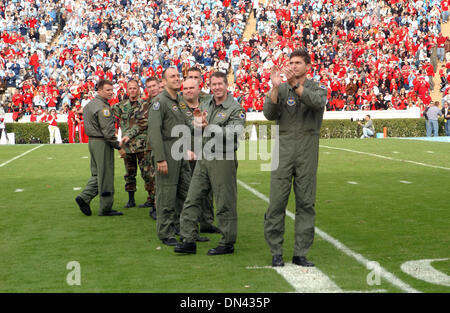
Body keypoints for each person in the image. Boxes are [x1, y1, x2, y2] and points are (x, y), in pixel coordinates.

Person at [262, 49, 327, 267]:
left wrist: (294, 86)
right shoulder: (280, 88)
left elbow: (317, 103)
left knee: (306, 203)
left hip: (307, 147)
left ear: (308, 65)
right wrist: (274, 87)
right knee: (277, 202)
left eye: (298, 62)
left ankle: (300, 253)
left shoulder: (316, 86)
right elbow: (268, 114)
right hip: (284, 148)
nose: (293, 65)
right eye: (291, 62)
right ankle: (275, 252)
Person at [175, 71, 246, 255]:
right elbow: (195, 125)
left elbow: (234, 134)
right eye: (213, 85)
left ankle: (227, 242)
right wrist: (197, 123)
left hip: (223, 158)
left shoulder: (235, 109)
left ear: (226, 85)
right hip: (204, 157)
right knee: (192, 199)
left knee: (224, 202)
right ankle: (188, 239)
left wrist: (209, 127)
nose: (216, 87)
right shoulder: (207, 103)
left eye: (219, 84)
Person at [147, 67, 192, 246]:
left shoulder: (179, 100)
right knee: (166, 194)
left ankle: (181, 227)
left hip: (181, 151)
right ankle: (165, 233)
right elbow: (154, 132)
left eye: (178, 75)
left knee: (184, 192)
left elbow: (186, 121)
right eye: (172, 76)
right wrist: (160, 158)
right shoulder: (160, 102)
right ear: (163, 82)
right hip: (167, 151)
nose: (176, 78)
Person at [75, 80, 125, 217]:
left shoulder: (90, 105)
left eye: (111, 90)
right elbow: (108, 133)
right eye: (107, 90)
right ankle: (105, 208)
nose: (110, 92)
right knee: (106, 175)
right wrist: (118, 146)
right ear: (99, 90)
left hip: (92, 141)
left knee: (97, 173)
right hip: (102, 142)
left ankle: (84, 197)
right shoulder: (103, 108)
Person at [113, 80, 155, 213]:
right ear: (126, 90)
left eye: (134, 88)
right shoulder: (120, 106)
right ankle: (131, 199)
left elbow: (145, 123)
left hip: (142, 145)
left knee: (147, 173)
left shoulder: (145, 105)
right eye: (130, 88)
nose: (132, 90)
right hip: (128, 146)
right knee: (129, 173)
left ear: (138, 89)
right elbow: (106, 113)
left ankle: (151, 199)